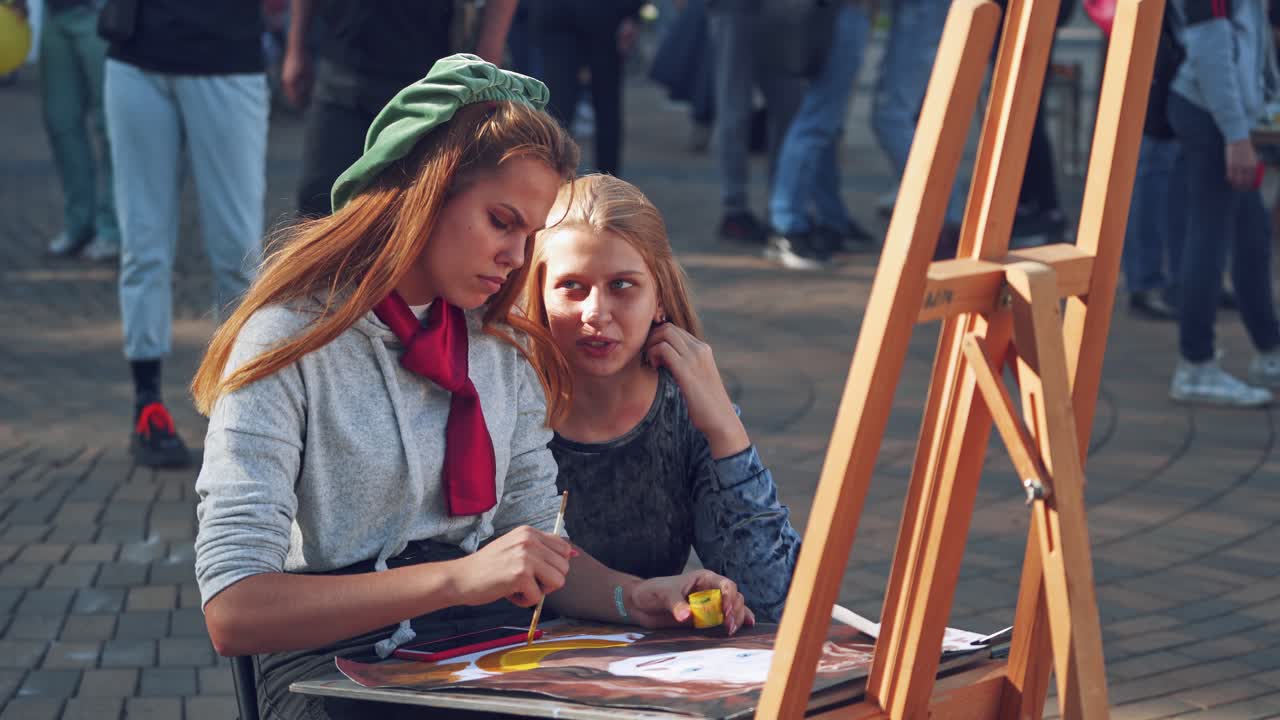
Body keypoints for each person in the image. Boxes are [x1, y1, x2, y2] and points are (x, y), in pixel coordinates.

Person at [191, 56, 752, 720]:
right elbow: (233, 611)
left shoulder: (498, 344)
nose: (518, 257)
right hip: (335, 670)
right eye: (501, 221)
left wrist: (639, 596)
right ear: (426, 191)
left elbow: (536, 547)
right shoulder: (288, 338)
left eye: (530, 234)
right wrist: (458, 580)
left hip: (479, 654)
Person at [522, 174, 801, 622]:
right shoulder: (509, 399)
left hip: (647, 669)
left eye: (623, 285)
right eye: (571, 286)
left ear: (659, 299)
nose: (596, 312)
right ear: (536, 293)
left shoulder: (683, 411)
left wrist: (726, 430)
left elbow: (773, 603)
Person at [103, 0, 270, 467]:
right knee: (142, 246)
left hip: (225, 57)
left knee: (238, 252)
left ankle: (241, 409)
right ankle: (147, 405)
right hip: (135, 54)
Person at [283, 0, 517, 217]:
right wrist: (295, 47)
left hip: (428, 78)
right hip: (341, 63)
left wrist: (487, 59)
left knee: (413, 213)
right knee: (318, 203)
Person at [1166, 0, 1280, 406]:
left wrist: (1263, 103)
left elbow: (1251, 36)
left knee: (1251, 234)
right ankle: (1195, 364)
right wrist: (1236, 135)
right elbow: (1209, 45)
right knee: (1209, 237)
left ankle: (1269, 350)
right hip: (1209, 112)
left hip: (1223, 112)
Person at [765, 0, 874, 269]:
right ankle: (789, 229)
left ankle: (827, 222)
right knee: (815, 123)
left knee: (822, 125)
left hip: (834, 14)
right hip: (837, 13)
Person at [12, 0, 119, 260]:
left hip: (100, 14)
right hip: (56, 15)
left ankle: (112, 228)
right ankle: (78, 223)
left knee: (110, 128)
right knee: (60, 122)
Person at [534, 0, 643, 177]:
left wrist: (631, 13)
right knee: (558, 110)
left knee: (603, 108)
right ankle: (552, 181)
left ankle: (607, 182)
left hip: (603, 17)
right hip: (560, 18)